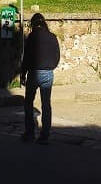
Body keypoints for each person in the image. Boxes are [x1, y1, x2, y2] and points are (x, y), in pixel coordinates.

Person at [19, 12, 60, 144]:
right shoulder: (53, 37)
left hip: (34, 72)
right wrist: (52, 66)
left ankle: (30, 132)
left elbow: (27, 57)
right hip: (48, 72)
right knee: (46, 104)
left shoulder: (32, 37)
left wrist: (22, 73)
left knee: (29, 102)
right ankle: (45, 135)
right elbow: (57, 55)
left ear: (33, 24)